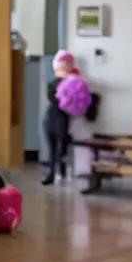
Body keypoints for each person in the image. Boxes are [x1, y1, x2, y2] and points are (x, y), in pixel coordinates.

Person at [42, 49, 78, 185]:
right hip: (50, 118)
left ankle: (61, 171)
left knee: (61, 148)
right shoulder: (52, 83)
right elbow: (53, 98)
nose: (64, 67)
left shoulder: (74, 83)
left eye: (67, 64)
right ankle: (51, 174)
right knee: (52, 149)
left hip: (62, 119)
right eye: (61, 64)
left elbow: (74, 102)